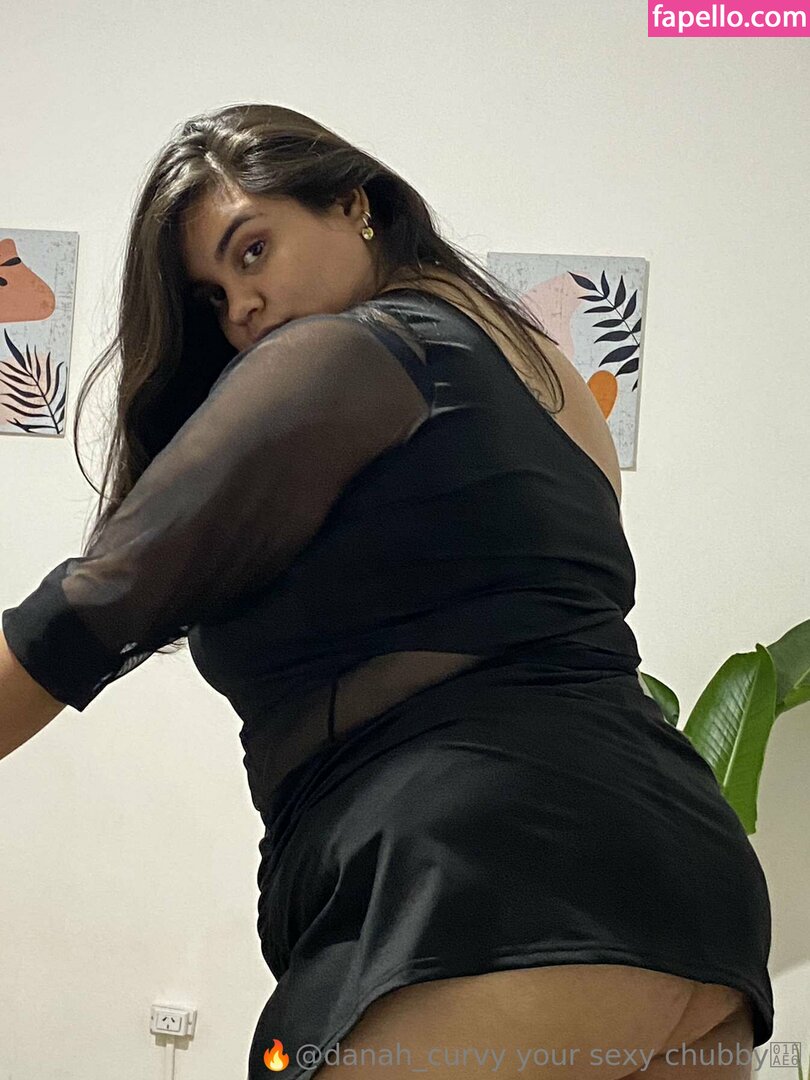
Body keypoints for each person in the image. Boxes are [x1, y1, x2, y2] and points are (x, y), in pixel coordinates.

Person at [1, 103, 772, 1079]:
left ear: (353, 204)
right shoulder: (546, 382)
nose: (241, 308)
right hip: (697, 913)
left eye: (253, 250)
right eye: (211, 295)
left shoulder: (343, 353)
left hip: (487, 890)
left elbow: (86, 612)